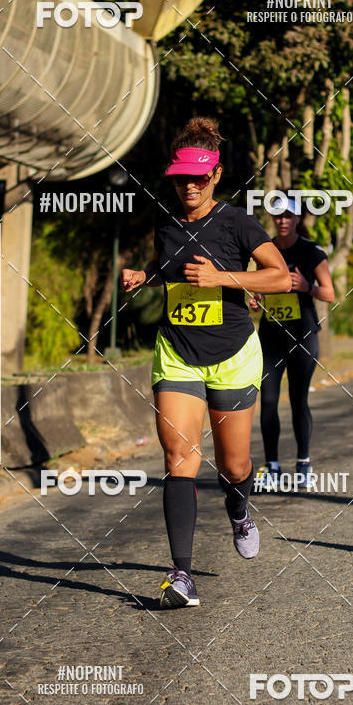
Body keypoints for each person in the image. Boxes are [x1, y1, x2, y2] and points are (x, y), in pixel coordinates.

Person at [120, 117, 291, 609]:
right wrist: (145, 277)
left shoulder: (238, 223)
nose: (189, 185)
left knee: (235, 466)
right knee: (179, 458)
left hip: (234, 357)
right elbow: (170, 268)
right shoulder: (167, 226)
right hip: (177, 355)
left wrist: (224, 279)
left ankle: (238, 507)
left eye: (199, 177)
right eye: (181, 177)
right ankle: (181, 576)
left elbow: (279, 277)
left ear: (215, 175)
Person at [251, 197, 334, 492]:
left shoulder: (310, 252)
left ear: (298, 219)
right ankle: (271, 466)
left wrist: (307, 287)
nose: (282, 220)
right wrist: (256, 297)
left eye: (288, 215)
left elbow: (330, 293)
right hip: (271, 335)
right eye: (277, 215)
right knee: (269, 401)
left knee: (299, 400)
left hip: (302, 335)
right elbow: (258, 284)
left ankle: (303, 463)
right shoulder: (265, 250)